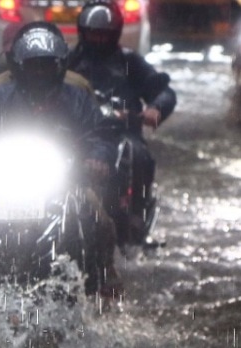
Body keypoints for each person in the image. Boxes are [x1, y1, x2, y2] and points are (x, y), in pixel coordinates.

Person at [0, 22, 122, 297]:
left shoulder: (76, 97)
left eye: (46, 65)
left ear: (60, 65)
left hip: (66, 183)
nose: (40, 72)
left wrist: (97, 159)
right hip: (5, 182)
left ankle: (105, 279)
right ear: (18, 67)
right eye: (33, 65)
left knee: (99, 218)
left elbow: (99, 135)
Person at [67, 0, 176, 246]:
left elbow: (163, 91)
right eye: (93, 33)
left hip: (121, 133)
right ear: (83, 32)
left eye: (103, 34)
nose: (98, 39)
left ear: (114, 33)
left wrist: (155, 109)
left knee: (137, 154)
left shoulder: (130, 61)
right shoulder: (68, 62)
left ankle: (136, 216)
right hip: (79, 136)